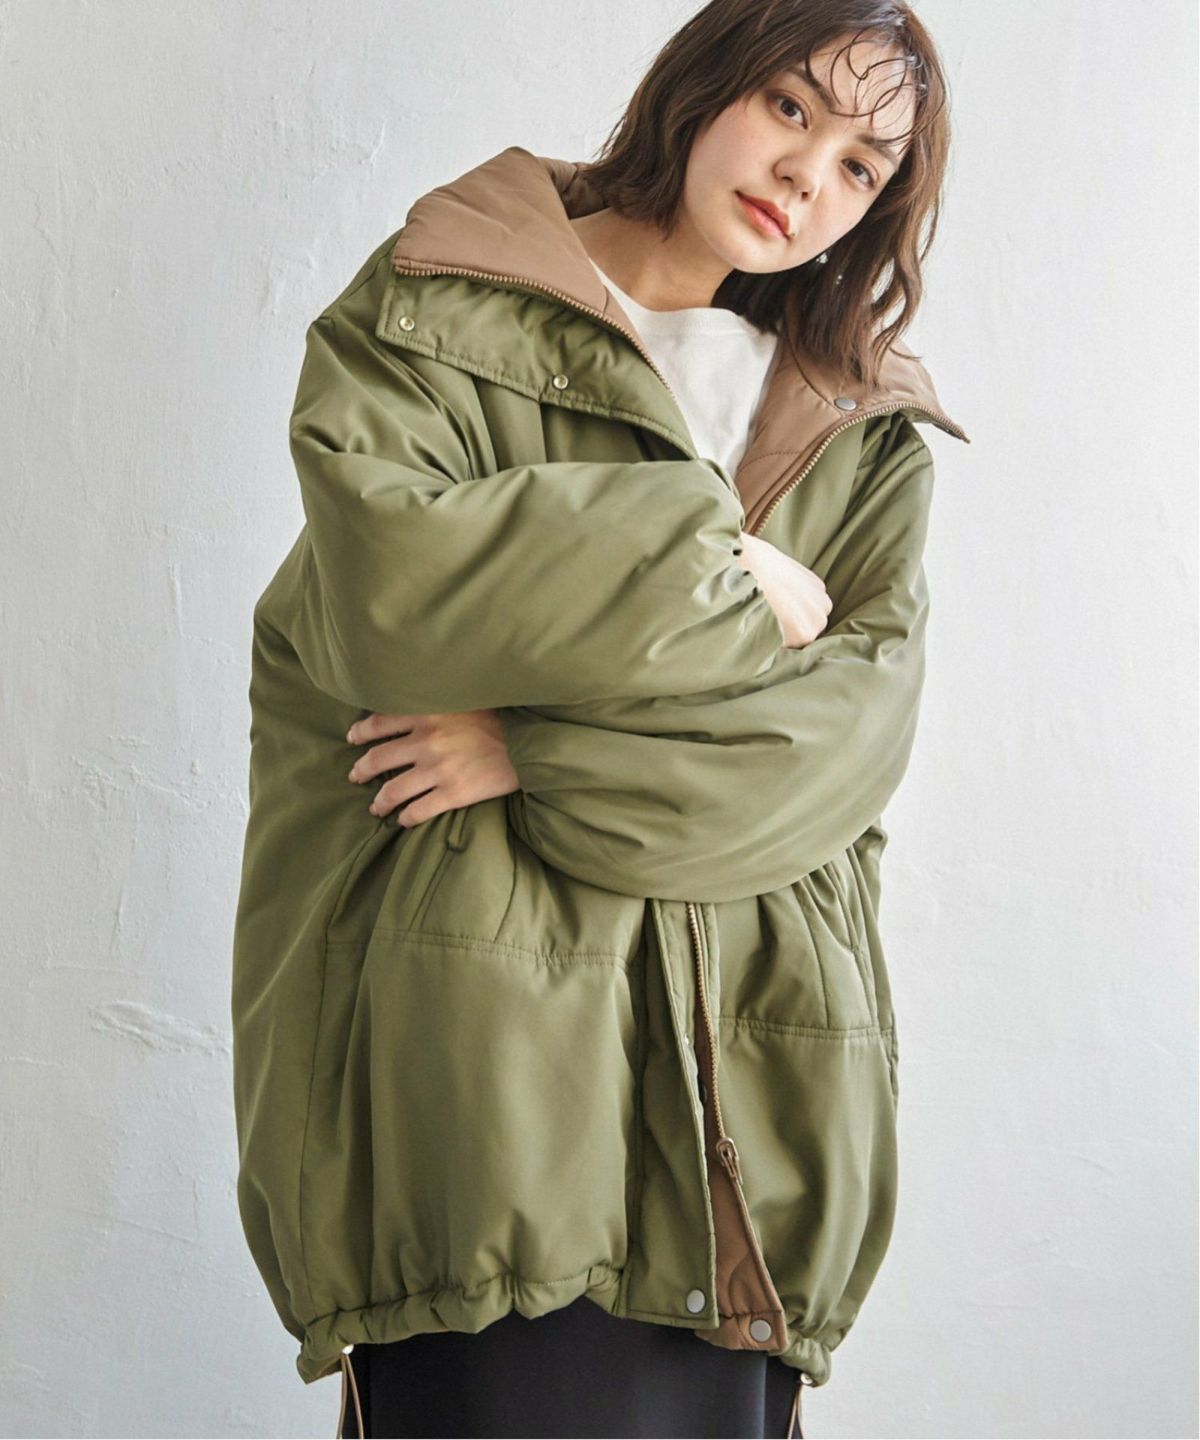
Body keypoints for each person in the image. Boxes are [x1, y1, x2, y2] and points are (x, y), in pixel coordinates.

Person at [230, 1, 971, 1436]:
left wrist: (529, 748)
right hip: (478, 1084)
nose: (808, 174)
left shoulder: (859, 429)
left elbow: (833, 757)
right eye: (791, 107)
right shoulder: (439, 305)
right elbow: (393, 595)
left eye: (861, 166)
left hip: (749, 1107)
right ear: (708, 81)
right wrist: (718, 565)